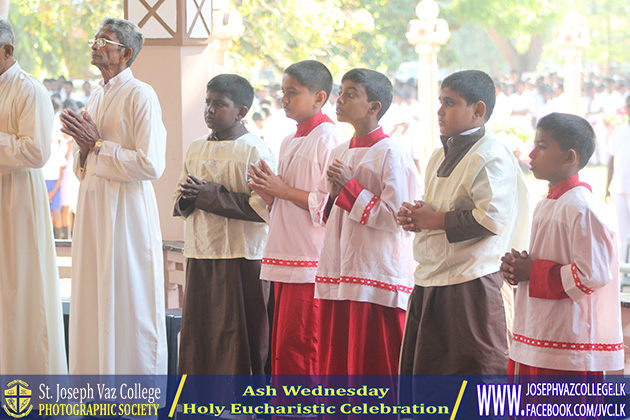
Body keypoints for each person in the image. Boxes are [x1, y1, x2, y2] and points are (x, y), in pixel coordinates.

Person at [397, 70, 530, 375]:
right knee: (429, 375)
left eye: (450, 102)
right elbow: (441, 207)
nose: (440, 111)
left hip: (473, 282)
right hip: (432, 278)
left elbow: (489, 220)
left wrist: (433, 218)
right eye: (440, 102)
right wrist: (418, 215)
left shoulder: (491, 155)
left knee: (478, 373)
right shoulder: (436, 156)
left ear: (478, 110)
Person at [60, 16, 167, 375]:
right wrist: (84, 149)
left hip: (126, 214)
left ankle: (131, 394)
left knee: (128, 300)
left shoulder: (141, 95)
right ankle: (95, 391)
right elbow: (88, 160)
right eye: (96, 39)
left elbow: (151, 164)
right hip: (93, 208)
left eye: (104, 40)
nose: (95, 44)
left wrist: (97, 144)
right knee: (94, 297)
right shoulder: (96, 94)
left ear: (126, 53)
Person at [314, 69, 421, 376]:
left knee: (372, 363)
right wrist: (336, 195)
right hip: (340, 266)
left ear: (374, 107)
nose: (340, 100)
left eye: (351, 94)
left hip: (375, 270)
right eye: (341, 92)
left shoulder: (392, 154)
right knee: (337, 364)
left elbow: (396, 218)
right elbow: (327, 211)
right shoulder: (339, 150)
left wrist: (350, 188)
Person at [501, 112, 623, 375]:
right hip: (540, 325)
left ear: (570, 157)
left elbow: (593, 274)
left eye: (542, 147)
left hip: (568, 338)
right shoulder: (546, 203)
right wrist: (518, 267)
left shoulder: (582, 207)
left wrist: (532, 271)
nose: (531, 154)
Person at [174, 74, 275, 375]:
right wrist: (190, 196)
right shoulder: (195, 148)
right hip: (201, 249)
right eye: (207, 102)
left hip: (242, 255)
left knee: (239, 331)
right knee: (200, 331)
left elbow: (265, 206)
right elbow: (182, 194)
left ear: (241, 112)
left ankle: (242, 401)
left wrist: (210, 196)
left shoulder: (254, 150)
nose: (209, 109)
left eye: (219, 104)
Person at [248, 60, 344, 376]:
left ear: (319, 97)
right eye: (283, 92)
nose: (284, 100)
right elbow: (284, 200)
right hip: (284, 253)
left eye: (293, 92)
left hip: (308, 260)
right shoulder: (289, 140)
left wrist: (284, 191)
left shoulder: (329, 138)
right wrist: (268, 192)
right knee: (284, 347)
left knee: (304, 347)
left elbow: (331, 206)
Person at [0, 16, 67, 374]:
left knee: (21, 293)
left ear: (7, 50)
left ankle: (30, 389)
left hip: (16, 202)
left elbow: (36, 152)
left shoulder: (30, 90)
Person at [606, 95, 630, 260]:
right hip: (620, 187)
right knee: (623, 231)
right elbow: (611, 159)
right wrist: (607, 186)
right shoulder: (619, 130)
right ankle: (626, 268)